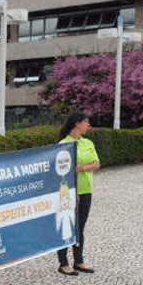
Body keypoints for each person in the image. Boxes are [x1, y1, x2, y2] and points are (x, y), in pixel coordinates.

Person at [57, 111, 100, 276]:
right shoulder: (63, 144)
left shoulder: (88, 143)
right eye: (86, 122)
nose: (88, 125)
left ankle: (79, 260)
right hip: (68, 192)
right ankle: (63, 263)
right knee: (66, 226)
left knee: (80, 226)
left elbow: (97, 163)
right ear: (77, 123)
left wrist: (83, 168)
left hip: (86, 190)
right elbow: (60, 169)